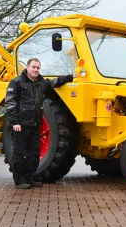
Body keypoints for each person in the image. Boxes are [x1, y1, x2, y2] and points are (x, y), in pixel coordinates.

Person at [5, 58, 75, 189]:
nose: (36, 70)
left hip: (35, 124)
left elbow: (55, 82)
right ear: (27, 67)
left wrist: (71, 77)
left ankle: (30, 177)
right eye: (33, 67)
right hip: (21, 125)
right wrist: (14, 122)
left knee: (34, 153)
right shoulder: (16, 82)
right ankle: (19, 180)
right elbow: (10, 103)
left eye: (38, 68)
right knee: (20, 153)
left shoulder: (41, 83)